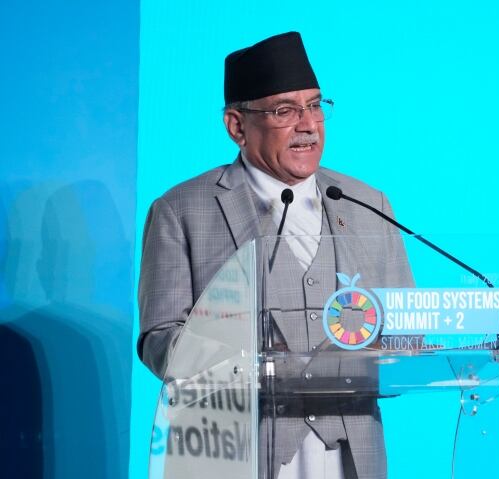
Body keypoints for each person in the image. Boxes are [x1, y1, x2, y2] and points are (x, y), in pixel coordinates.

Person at [137, 32, 412, 478]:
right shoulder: (181, 210)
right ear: (236, 126)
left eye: (315, 105)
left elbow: (407, 331)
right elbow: (159, 343)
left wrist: (393, 345)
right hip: (235, 452)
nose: (308, 124)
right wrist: (245, 355)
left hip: (348, 459)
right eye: (285, 110)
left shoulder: (367, 204)